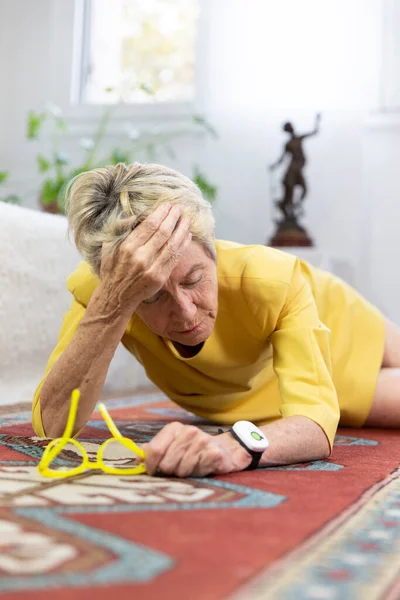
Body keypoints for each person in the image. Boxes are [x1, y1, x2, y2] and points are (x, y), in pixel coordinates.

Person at [32, 162, 400, 478]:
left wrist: (231, 448)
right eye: (152, 294)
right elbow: (51, 426)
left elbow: (315, 425)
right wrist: (113, 302)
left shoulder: (269, 277)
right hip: (263, 389)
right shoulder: (104, 295)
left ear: (214, 250)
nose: (186, 312)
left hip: (340, 325)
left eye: (194, 279)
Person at [269, 113, 321, 220]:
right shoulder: (288, 144)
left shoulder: (299, 138)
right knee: (291, 188)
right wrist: (274, 166)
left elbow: (314, 132)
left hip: (299, 166)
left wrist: (317, 121)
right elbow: (282, 158)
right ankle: (290, 206)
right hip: (293, 167)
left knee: (304, 189)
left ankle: (294, 204)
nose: (291, 129)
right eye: (289, 128)